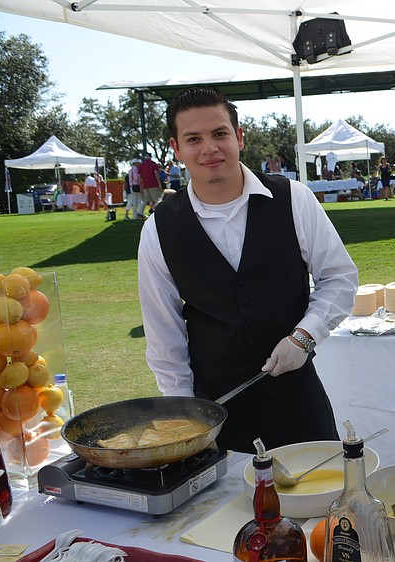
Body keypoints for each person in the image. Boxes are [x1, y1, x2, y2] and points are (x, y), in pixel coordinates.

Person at [138, 87, 358, 453]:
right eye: (194, 139)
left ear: (239, 137)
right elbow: (164, 336)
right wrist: (184, 418)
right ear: (176, 149)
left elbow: (339, 277)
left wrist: (304, 336)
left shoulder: (294, 199)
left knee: (325, 506)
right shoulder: (158, 229)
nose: (209, 148)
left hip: (299, 405)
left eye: (219, 134)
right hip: (216, 416)